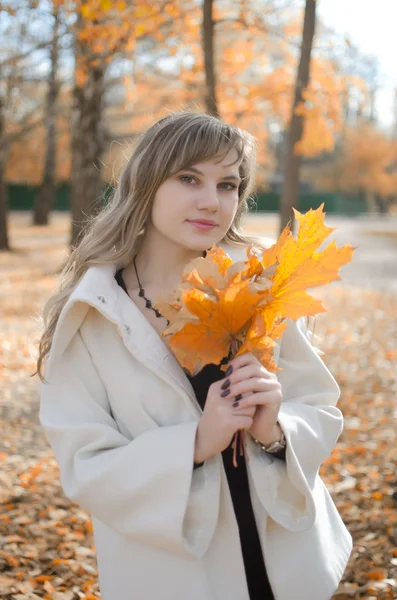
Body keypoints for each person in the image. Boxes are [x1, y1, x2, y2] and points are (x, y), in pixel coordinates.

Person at [36, 111, 352, 600]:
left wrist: (275, 430)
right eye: (189, 178)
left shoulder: (259, 289)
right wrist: (198, 442)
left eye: (228, 184)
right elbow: (86, 466)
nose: (212, 201)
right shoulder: (93, 314)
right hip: (175, 576)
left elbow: (319, 409)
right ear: (146, 183)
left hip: (284, 565)